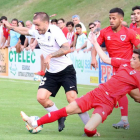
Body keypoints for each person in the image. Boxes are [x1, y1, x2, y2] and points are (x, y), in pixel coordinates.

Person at [20, 33, 140, 137]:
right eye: (131, 57)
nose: (130, 60)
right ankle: (34, 123)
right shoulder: (125, 63)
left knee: (88, 130)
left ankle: (93, 132)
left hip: (107, 103)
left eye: (134, 59)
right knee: (64, 111)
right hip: (96, 94)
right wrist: (95, 43)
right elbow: (104, 58)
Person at [3, 12, 90, 132]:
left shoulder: (55, 31)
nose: (35, 28)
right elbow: (24, 30)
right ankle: (60, 116)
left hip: (66, 70)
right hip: (52, 72)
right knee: (41, 98)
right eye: (34, 25)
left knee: (72, 99)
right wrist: (11, 27)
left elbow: (66, 48)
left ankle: (90, 128)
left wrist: (50, 56)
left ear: (46, 22)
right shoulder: (36, 30)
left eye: (37, 25)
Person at [91, 7, 140, 129]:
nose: (111, 21)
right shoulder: (104, 32)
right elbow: (95, 45)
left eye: (114, 18)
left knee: (130, 94)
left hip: (128, 68)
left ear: (121, 19)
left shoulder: (129, 33)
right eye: (109, 18)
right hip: (116, 67)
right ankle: (124, 121)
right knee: (128, 94)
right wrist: (93, 58)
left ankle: (123, 120)